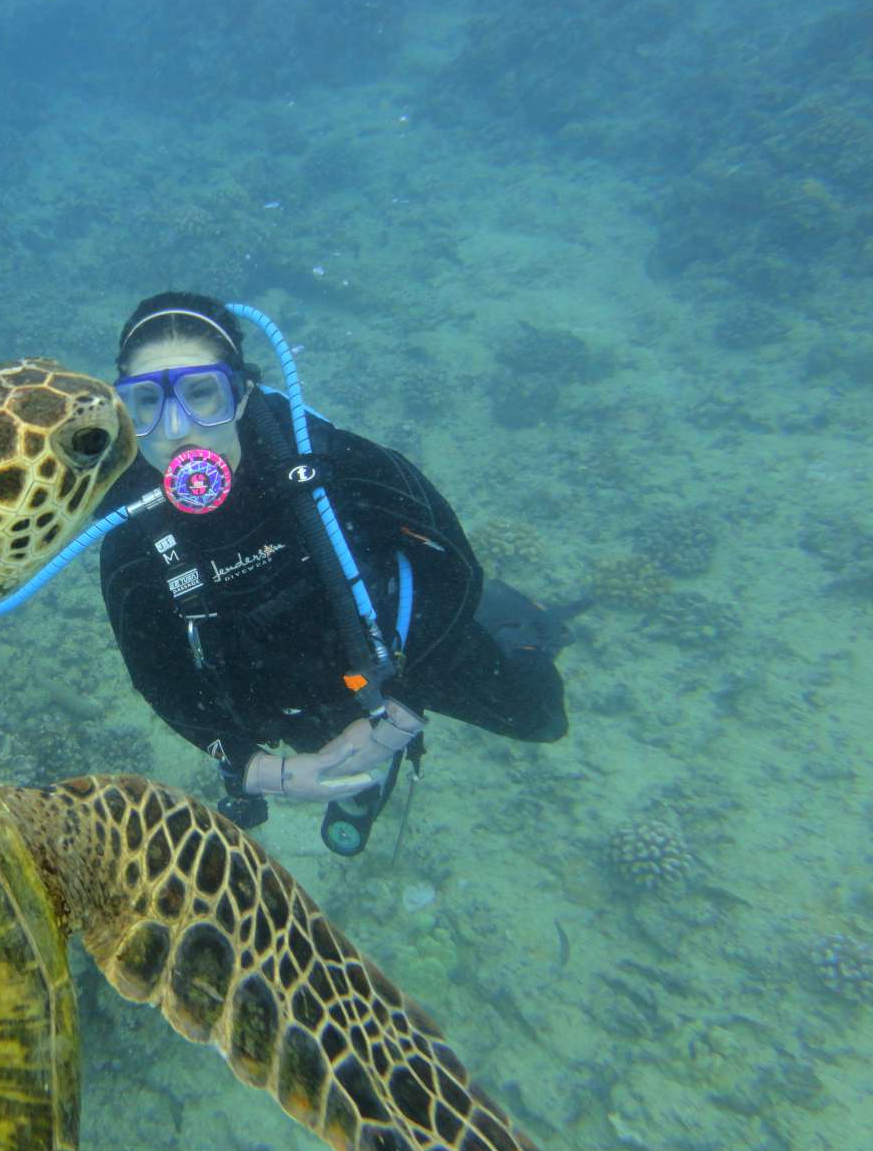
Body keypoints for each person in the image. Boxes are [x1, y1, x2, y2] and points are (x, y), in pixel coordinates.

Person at [99, 292, 574, 855]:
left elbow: (455, 564)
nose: (176, 430)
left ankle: (516, 623)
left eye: (203, 393)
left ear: (244, 392)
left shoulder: (331, 461)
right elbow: (157, 674)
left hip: (401, 649)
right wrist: (255, 768)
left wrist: (403, 705)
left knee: (541, 717)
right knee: (318, 746)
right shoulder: (130, 531)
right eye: (147, 402)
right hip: (278, 685)